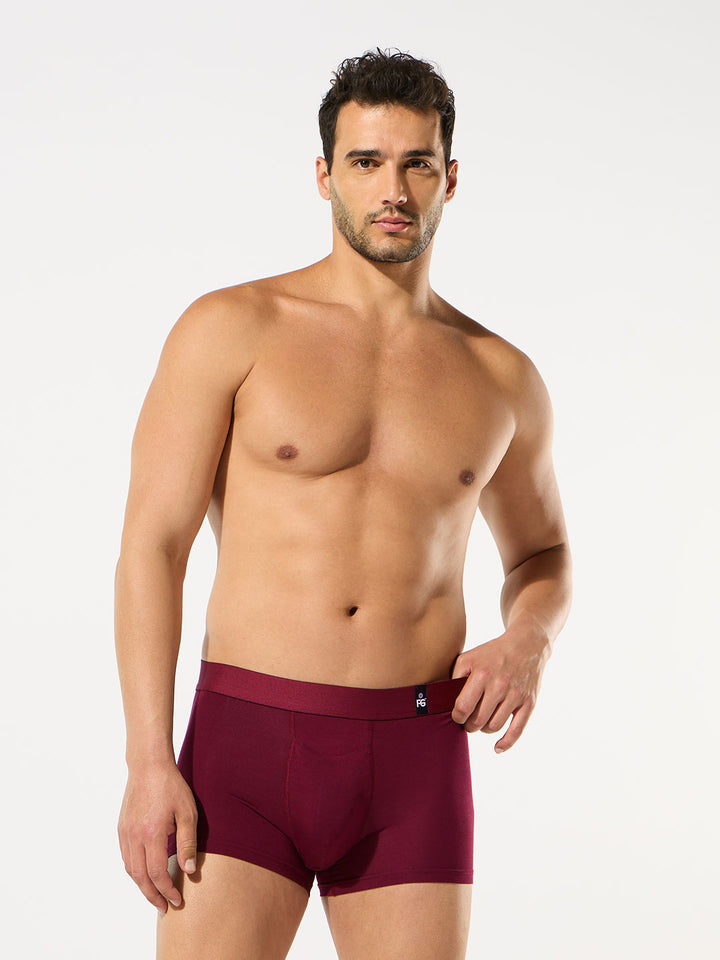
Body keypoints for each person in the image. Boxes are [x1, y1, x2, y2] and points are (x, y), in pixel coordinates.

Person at [115, 47, 573, 960]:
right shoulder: (232, 329)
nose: (392, 189)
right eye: (366, 162)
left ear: (451, 179)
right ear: (325, 175)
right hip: (245, 747)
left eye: (416, 163)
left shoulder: (502, 378)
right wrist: (147, 761)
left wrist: (530, 637)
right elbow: (152, 547)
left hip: (415, 757)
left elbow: (543, 555)